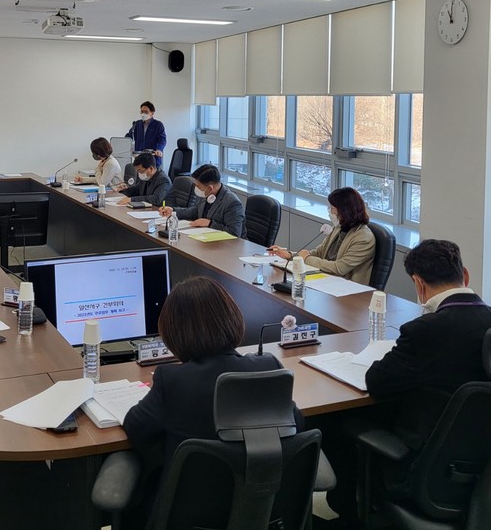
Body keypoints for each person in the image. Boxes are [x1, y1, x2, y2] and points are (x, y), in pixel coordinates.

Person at [317, 239, 491, 528]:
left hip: (419, 471)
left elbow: (377, 382)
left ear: (418, 284)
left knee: (337, 420)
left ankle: (349, 515)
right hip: (476, 470)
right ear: (465, 275)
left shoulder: (425, 330)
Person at [122, 276, 301, 527]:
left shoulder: (172, 379)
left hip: (188, 518)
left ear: (173, 333)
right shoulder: (269, 368)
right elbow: (296, 425)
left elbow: (136, 428)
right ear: (232, 318)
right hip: (264, 514)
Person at [269, 187, 375, 285]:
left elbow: (340, 268)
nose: (330, 211)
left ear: (345, 211)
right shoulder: (339, 228)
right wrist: (290, 255)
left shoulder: (364, 238)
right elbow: (318, 253)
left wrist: (306, 258)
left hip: (346, 288)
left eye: (332, 208)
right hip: (326, 279)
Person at [158, 164, 246, 238]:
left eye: (198, 186)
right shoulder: (206, 194)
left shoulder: (232, 203)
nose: (196, 189)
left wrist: (210, 223)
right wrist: (173, 211)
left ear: (210, 188)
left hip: (228, 247)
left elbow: (234, 233)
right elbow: (195, 211)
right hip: (205, 238)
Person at [125, 101, 167, 169]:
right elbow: (129, 136)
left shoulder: (158, 125)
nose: (143, 114)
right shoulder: (137, 124)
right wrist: (123, 143)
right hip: (139, 158)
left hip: (153, 159)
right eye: (142, 111)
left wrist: (159, 149)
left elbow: (162, 139)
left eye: (146, 112)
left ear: (152, 113)